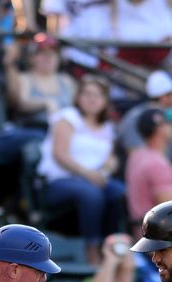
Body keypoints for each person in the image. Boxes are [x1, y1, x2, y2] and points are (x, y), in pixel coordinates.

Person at [36, 75, 125, 266]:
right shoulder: (67, 118)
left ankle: (110, 246)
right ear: (78, 97)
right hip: (60, 180)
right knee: (91, 194)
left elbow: (111, 157)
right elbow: (60, 154)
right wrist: (87, 174)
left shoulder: (107, 126)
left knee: (118, 192)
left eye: (97, 95)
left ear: (105, 100)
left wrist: (107, 168)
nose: (92, 99)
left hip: (93, 179)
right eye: (87, 94)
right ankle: (91, 250)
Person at [4, 32, 76, 131]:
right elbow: (21, 103)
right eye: (42, 53)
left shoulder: (66, 80)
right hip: (32, 130)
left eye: (52, 53)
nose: (48, 57)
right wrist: (45, 102)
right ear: (32, 58)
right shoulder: (24, 78)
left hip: (65, 132)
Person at [124, 109, 172, 232]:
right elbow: (171, 213)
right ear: (160, 129)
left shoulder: (136, 156)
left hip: (141, 233)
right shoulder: (158, 164)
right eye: (169, 123)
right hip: (159, 240)